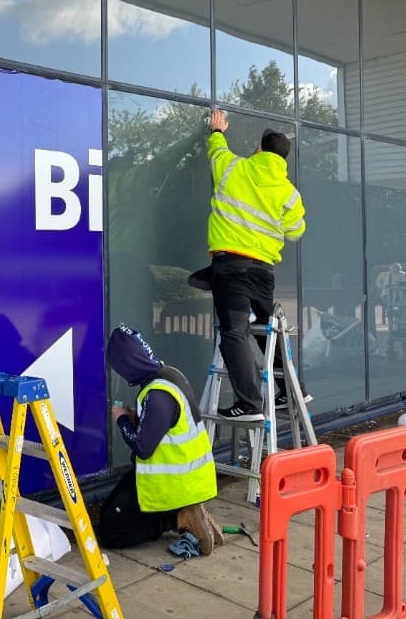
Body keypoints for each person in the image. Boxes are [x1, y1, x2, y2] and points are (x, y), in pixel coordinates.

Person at [206, 109, 306, 421]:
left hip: (230, 269)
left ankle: (249, 404)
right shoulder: (289, 193)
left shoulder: (233, 168)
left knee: (234, 333)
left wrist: (217, 129)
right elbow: (296, 231)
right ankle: (292, 392)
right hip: (263, 273)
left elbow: (216, 151)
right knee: (265, 331)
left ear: (260, 149)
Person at [95, 325, 223, 554]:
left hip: (172, 482)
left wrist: (122, 419)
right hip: (181, 477)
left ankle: (179, 518)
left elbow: (143, 447)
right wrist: (138, 420)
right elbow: (164, 428)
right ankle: (183, 513)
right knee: (106, 513)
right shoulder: (168, 375)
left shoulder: (158, 395)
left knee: (110, 532)